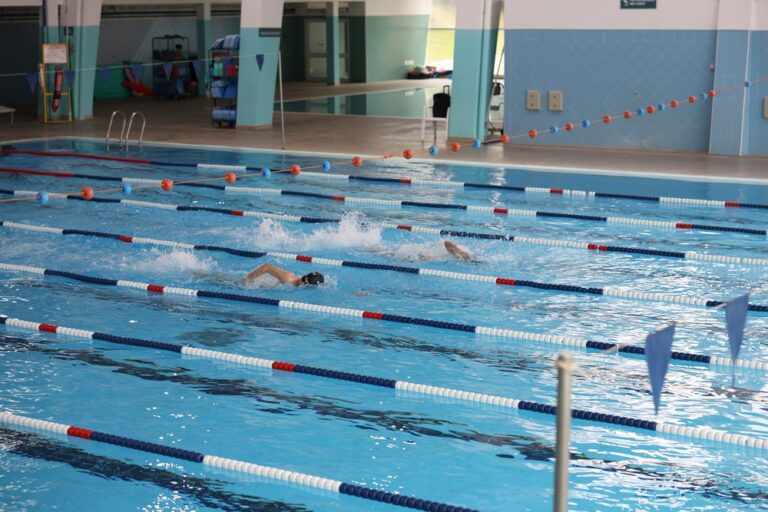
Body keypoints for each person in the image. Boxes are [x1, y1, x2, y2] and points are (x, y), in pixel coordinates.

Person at [244, 263, 324, 286]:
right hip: (256, 284)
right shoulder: (288, 278)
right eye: (303, 278)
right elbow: (266, 267)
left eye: (305, 283)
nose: (302, 281)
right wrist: (247, 279)